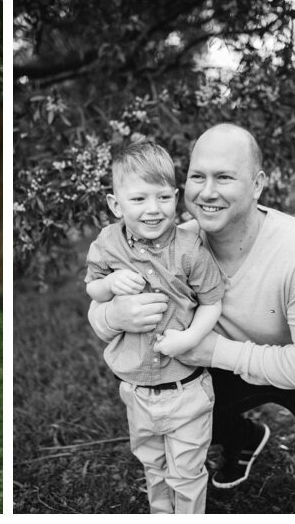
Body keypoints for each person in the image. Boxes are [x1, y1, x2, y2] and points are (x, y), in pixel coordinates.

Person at [90, 123, 295, 512]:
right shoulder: (173, 244)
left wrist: (216, 352)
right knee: (156, 384)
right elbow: (99, 311)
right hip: (217, 369)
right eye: (198, 176)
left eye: (225, 177)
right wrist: (114, 315)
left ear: (257, 185)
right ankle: (243, 437)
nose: (208, 191)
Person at [84, 142, 225, 513]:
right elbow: (93, 288)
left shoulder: (190, 249)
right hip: (135, 391)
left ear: (176, 199)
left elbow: (212, 302)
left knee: (186, 473)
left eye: (163, 197)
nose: (153, 209)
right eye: (139, 199)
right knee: (153, 465)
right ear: (116, 205)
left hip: (186, 389)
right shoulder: (108, 243)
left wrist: (189, 338)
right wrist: (110, 285)